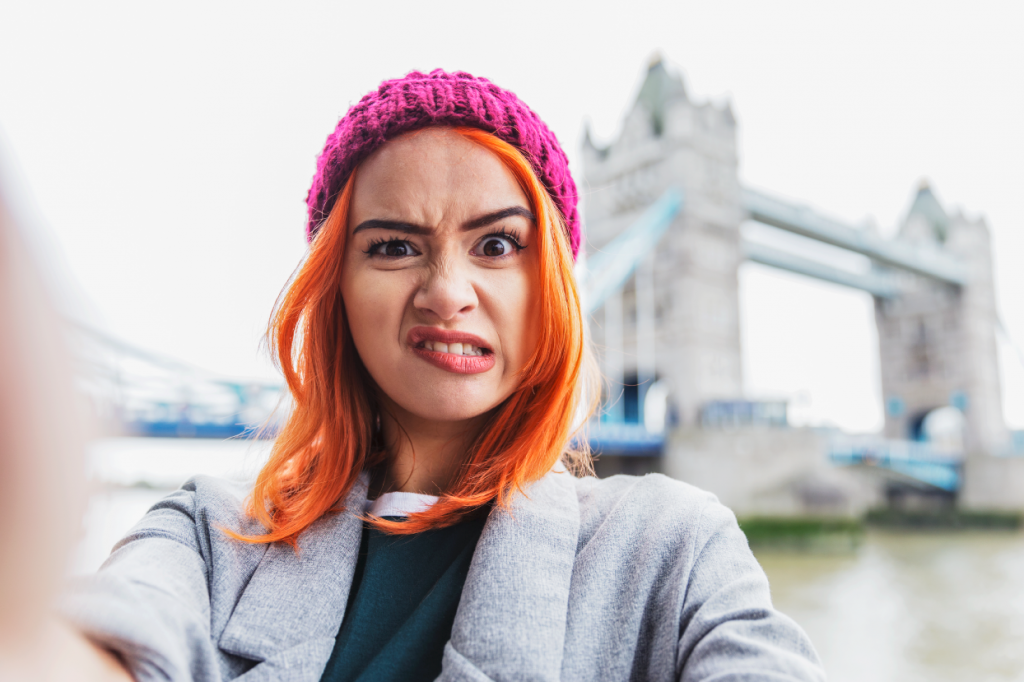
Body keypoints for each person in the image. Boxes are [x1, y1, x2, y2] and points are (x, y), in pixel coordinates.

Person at [60, 70, 825, 681]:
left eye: (497, 246)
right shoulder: (206, 537)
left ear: (553, 287)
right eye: (394, 247)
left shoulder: (674, 549)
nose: (448, 292)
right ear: (336, 292)